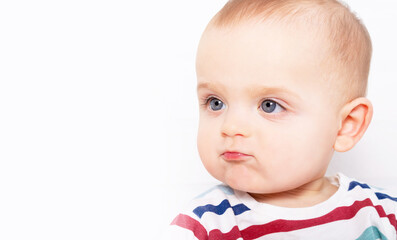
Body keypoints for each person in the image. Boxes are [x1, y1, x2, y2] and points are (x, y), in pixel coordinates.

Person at [166, 0, 397, 239]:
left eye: (269, 106)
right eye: (216, 103)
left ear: (346, 125)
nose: (231, 127)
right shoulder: (206, 225)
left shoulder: (383, 215)